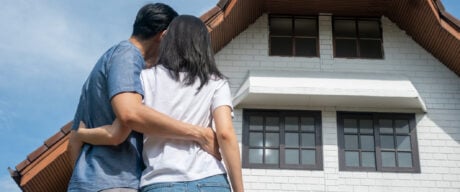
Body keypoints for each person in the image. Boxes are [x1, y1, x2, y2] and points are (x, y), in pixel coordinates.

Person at [76, 15, 244, 192]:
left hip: (160, 181)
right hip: (210, 179)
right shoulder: (216, 82)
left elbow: (119, 131)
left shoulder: (144, 78)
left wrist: (82, 133)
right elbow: (225, 134)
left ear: (168, 41)